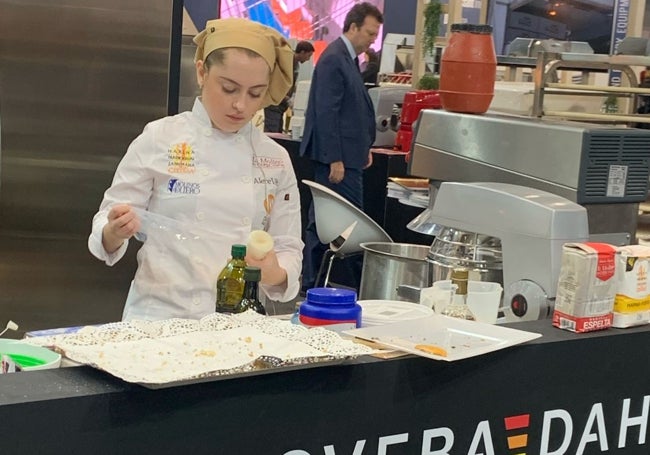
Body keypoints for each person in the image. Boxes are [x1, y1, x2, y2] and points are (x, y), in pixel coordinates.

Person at [88, 18, 303, 321]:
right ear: (202, 72)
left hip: (239, 326)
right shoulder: (159, 138)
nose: (241, 105)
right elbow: (104, 227)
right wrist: (114, 230)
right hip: (158, 319)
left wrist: (275, 272)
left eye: (255, 93)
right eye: (229, 88)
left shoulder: (274, 159)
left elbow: (288, 246)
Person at [299, 2, 383, 292]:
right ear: (353, 27)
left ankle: (313, 282)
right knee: (342, 227)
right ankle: (323, 285)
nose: (373, 39)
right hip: (339, 162)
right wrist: (335, 158)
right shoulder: (335, 59)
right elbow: (327, 112)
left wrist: (364, 147)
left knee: (323, 224)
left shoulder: (348, 59)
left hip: (350, 157)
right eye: (370, 33)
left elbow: (350, 111)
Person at [263, 40, 315, 133]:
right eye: (308, 56)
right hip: (274, 103)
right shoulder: (286, 62)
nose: (308, 59)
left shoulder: (295, 64)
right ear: (302, 52)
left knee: (278, 132)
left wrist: (295, 94)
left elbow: (289, 82)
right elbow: (276, 84)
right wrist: (287, 99)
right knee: (272, 132)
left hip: (280, 105)